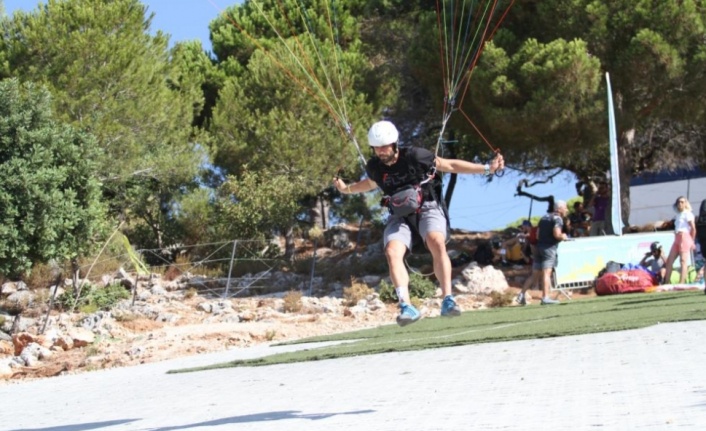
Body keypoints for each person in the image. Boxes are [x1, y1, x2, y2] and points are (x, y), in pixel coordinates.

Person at [333, 120, 504, 325]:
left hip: (427, 208)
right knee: (392, 252)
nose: (381, 151)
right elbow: (370, 183)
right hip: (399, 216)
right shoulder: (375, 167)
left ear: (394, 144)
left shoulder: (415, 156)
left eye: (384, 146)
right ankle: (406, 306)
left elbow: (449, 165)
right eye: (377, 148)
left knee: (436, 241)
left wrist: (487, 168)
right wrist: (346, 189)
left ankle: (448, 299)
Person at [534, 200, 569, 304]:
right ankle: (545, 297)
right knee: (547, 273)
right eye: (565, 208)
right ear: (559, 209)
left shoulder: (544, 217)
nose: (566, 210)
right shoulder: (558, 219)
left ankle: (545, 296)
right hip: (549, 248)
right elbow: (557, 234)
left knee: (540, 272)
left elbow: (537, 235)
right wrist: (563, 236)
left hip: (539, 247)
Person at [663, 196, 696, 284]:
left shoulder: (687, 214)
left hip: (684, 237)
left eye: (682, 202)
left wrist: (692, 241)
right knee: (669, 261)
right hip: (677, 237)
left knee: (683, 261)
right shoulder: (678, 215)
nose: (680, 204)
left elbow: (693, 228)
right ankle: (666, 282)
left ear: (685, 204)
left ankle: (682, 282)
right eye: (678, 202)